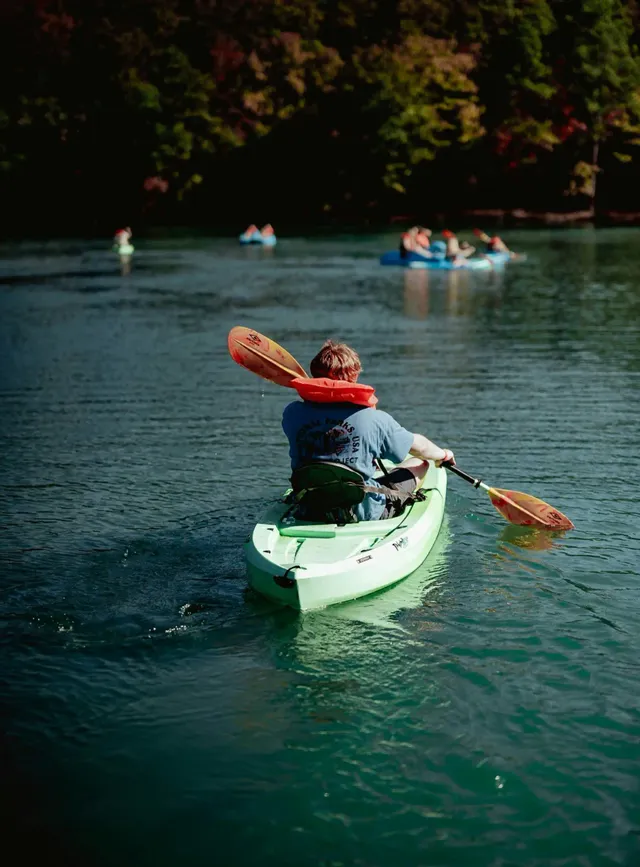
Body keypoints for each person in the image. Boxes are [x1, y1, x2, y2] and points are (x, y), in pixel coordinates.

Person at [282, 340, 455, 522]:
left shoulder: (293, 413)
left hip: (308, 506)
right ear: (354, 376)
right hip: (360, 511)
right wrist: (443, 454)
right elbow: (421, 448)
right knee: (420, 463)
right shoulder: (375, 419)